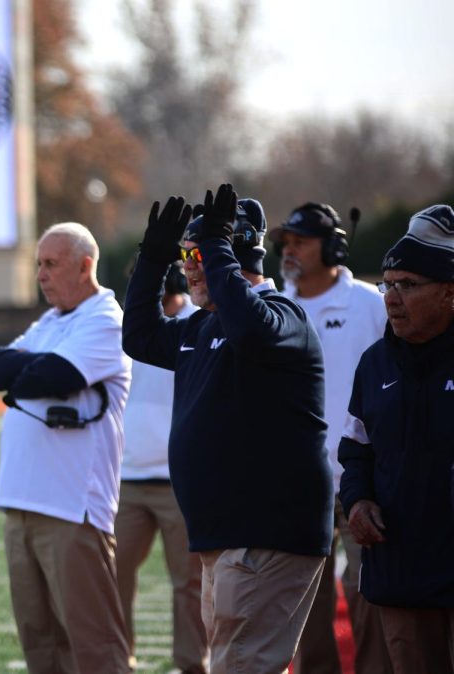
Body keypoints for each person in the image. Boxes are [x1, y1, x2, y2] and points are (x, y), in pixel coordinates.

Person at [122, 187, 333, 674]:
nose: (189, 266)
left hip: (264, 534)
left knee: (241, 667)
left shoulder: (282, 317)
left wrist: (219, 252)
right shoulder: (202, 326)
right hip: (228, 538)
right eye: (185, 255)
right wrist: (152, 261)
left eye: (198, 254)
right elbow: (140, 335)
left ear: (233, 253)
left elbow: (252, 329)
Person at [0, 222, 132, 674]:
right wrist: (35, 368)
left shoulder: (106, 320)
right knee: (40, 645)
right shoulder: (50, 322)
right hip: (22, 503)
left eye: (51, 264)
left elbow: (53, 377)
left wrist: (30, 370)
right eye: (38, 264)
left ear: (86, 266)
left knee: (94, 648)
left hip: (72, 508)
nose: (41, 275)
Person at [271, 202, 389, 674]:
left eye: (301, 241)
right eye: (286, 242)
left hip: (365, 480)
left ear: (335, 245)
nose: (289, 249)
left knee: (372, 596)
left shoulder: (371, 304)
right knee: (306, 608)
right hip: (297, 483)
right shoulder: (272, 306)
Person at [338, 204, 454, 674]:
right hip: (399, 569)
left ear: (449, 292)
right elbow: (355, 450)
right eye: (388, 284)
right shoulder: (374, 364)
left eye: (408, 284)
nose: (391, 297)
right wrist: (359, 499)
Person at [115, 261, 207, 674]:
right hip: (128, 477)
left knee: (189, 585)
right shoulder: (130, 324)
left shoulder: (198, 322)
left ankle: (193, 664)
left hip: (179, 481)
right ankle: (118, 662)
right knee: (114, 579)